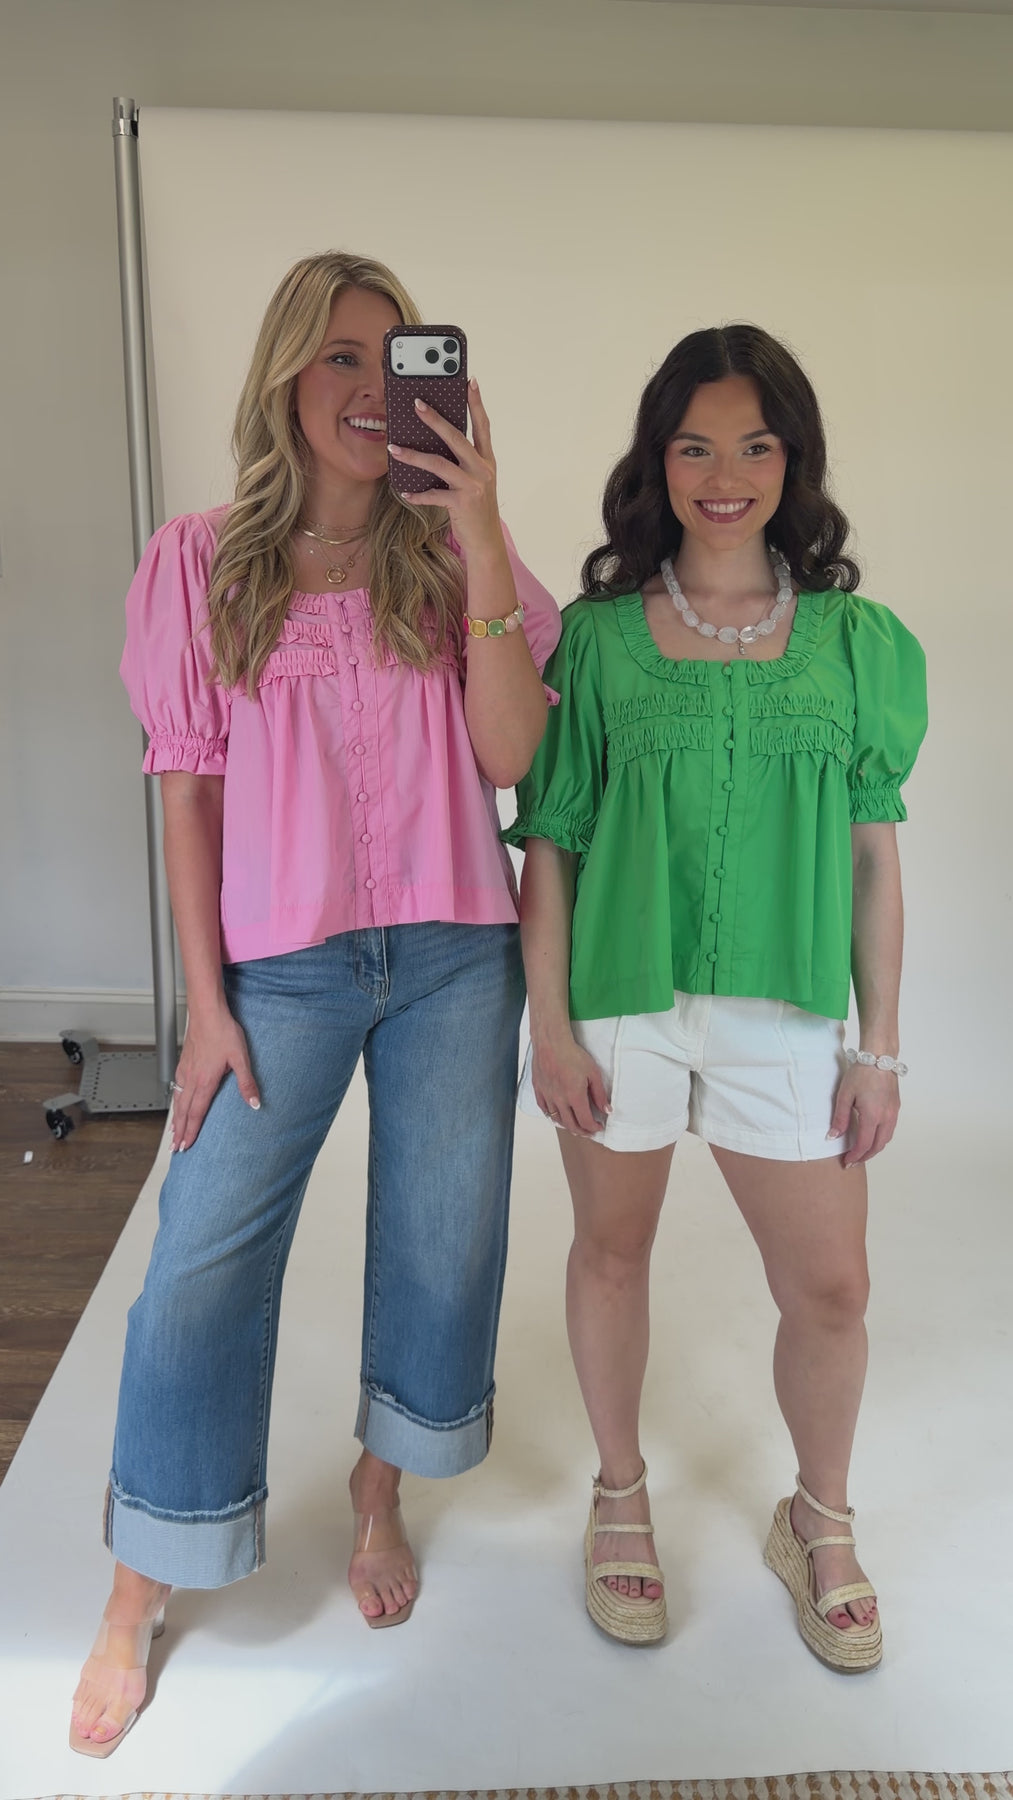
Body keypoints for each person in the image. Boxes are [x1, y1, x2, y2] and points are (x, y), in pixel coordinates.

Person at [69, 251, 560, 1756]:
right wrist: (204, 1007)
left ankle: (377, 1486)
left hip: (454, 956)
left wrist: (480, 528)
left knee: (440, 1239)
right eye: (340, 357)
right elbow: (187, 794)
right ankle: (140, 1581)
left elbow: (509, 758)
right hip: (276, 970)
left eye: (395, 359)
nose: (367, 387)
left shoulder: (453, 560)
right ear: (286, 377)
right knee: (199, 1264)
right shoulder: (201, 563)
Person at [505, 324, 926, 1670]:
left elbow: (873, 857)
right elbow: (551, 843)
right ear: (657, 462)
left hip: (785, 1016)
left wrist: (878, 1049)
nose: (724, 475)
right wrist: (551, 1023)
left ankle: (818, 1518)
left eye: (754, 445)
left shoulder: (856, 643)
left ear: (793, 459)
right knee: (610, 1252)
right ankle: (619, 1494)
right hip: (620, 1004)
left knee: (833, 1289)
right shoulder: (597, 642)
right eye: (694, 447)